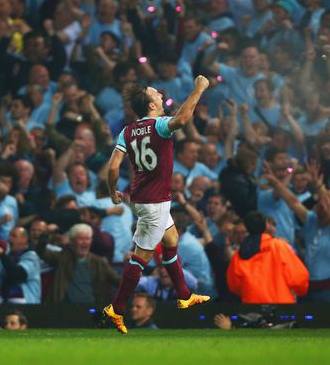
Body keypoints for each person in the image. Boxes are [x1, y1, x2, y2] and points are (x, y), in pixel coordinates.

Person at [103, 75, 211, 334]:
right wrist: (199, 89)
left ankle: (184, 294)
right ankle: (116, 308)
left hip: (142, 198)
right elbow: (183, 119)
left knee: (171, 239)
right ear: (151, 105)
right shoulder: (160, 126)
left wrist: (112, 192)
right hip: (154, 203)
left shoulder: (127, 131)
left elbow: (113, 167)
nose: (161, 96)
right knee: (140, 258)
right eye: (157, 95)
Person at [226, 211, 309, 304]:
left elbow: (234, 286)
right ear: (265, 226)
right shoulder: (279, 246)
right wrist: (300, 291)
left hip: (252, 307)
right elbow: (299, 277)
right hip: (282, 304)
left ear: (247, 228)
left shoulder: (238, 255)